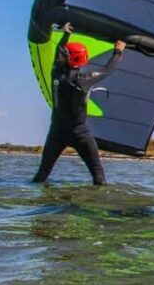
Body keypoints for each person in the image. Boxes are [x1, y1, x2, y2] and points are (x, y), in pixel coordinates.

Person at [32, 22, 125, 185]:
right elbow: (107, 70)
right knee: (98, 174)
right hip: (80, 134)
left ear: (68, 58)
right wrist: (118, 51)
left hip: (57, 132)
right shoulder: (84, 80)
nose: (61, 54)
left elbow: (57, 52)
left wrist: (66, 34)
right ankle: (98, 200)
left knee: (42, 173)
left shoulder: (56, 72)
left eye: (65, 53)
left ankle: (34, 196)